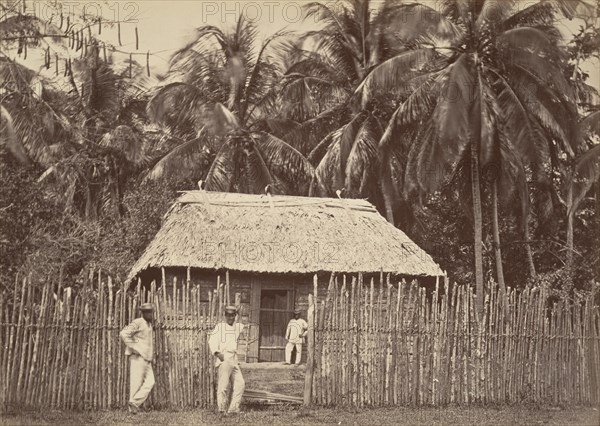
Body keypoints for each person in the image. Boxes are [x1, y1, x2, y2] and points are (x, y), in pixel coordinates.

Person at [208, 305, 245, 415]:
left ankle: (233, 409)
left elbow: (242, 320)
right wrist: (218, 353)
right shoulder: (220, 327)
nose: (230, 318)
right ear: (225, 315)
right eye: (228, 315)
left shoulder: (236, 327)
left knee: (240, 383)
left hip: (234, 358)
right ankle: (222, 410)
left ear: (235, 316)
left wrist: (239, 310)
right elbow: (212, 341)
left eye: (232, 315)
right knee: (223, 385)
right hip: (224, 357)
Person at [120, 302, 155, 414]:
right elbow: (124, 333)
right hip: (137, 357)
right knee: (135, 384)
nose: (150, 314)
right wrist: (134, 347)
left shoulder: (149, 324)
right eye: (148, 312)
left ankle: (134, 402)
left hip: (147, 358)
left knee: (151, 382)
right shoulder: (138, 322)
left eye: (151, 312)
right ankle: (132, 409)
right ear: (143, 312)